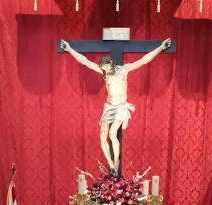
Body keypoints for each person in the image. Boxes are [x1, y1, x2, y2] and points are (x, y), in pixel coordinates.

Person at [59, 38, 172, 175]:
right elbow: (85, 61)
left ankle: (117, 163)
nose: (105, 72)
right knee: (102, 136)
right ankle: (111, 165)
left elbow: (143, 60)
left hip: (120, 107)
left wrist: (160, 47)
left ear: (111, 65)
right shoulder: (104, 71)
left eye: (107, 69)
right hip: (109, 106)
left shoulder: (123, 70)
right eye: (103, 70)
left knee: (113, 134)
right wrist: (69, 49)